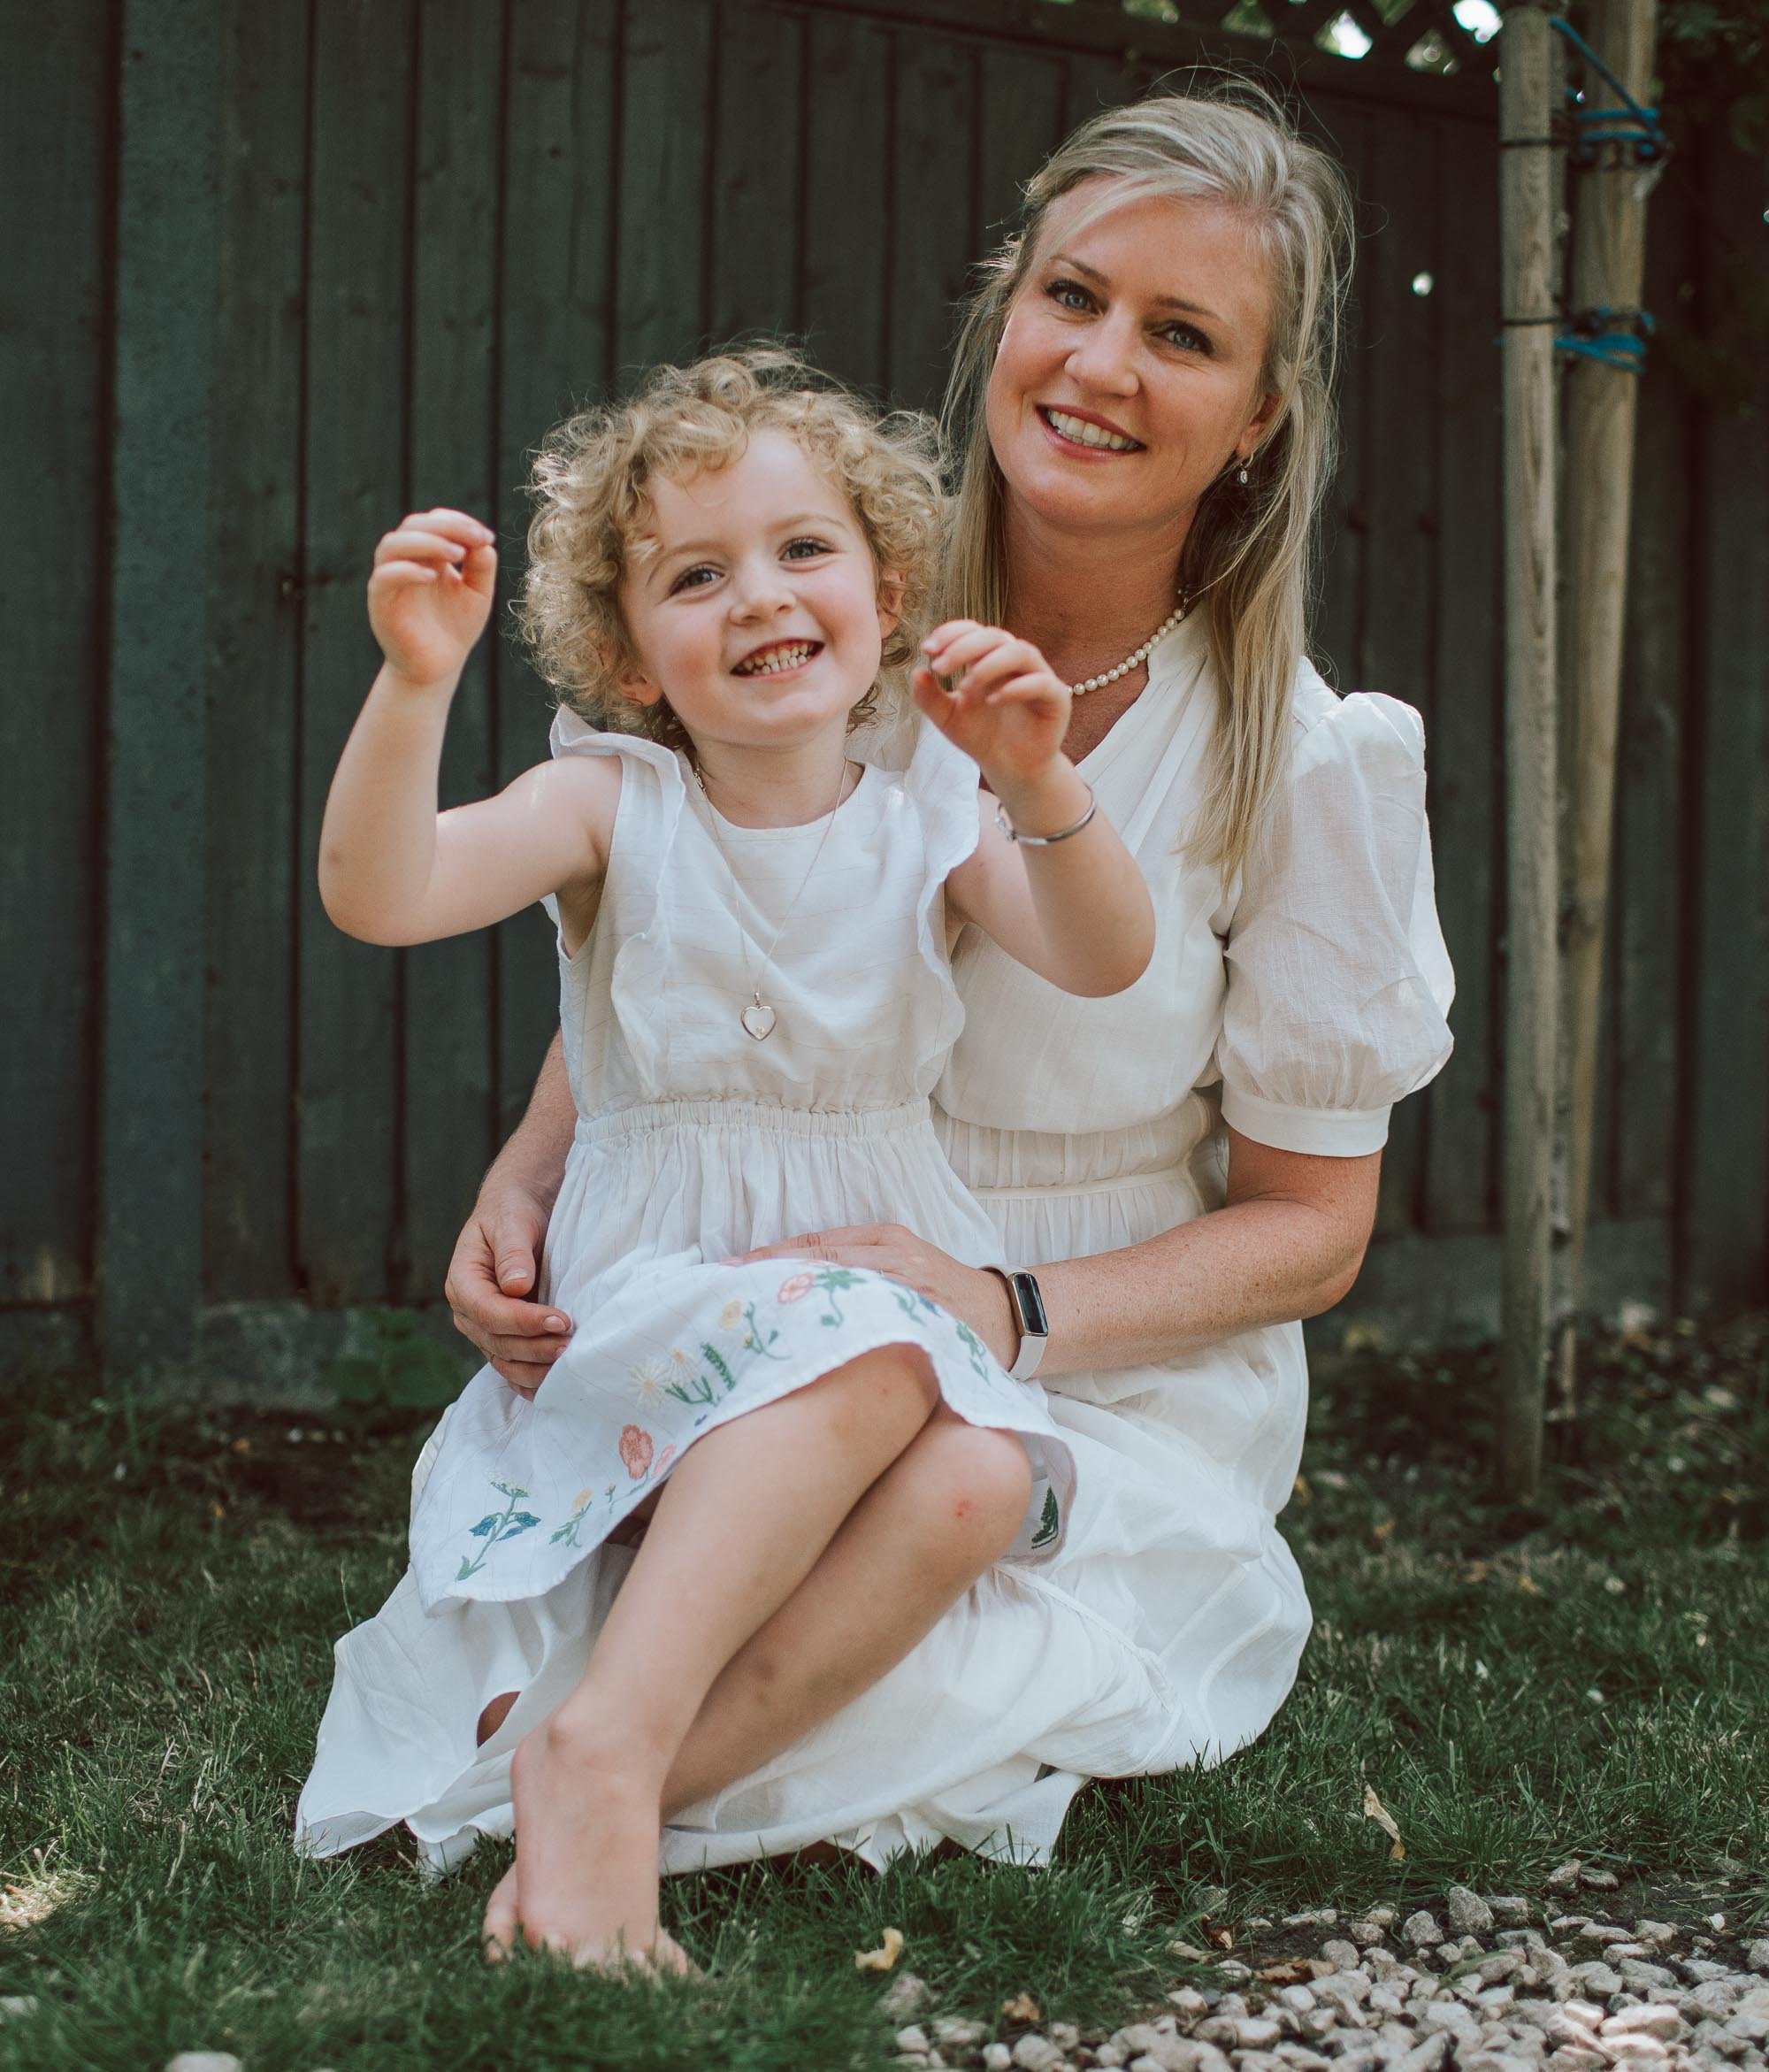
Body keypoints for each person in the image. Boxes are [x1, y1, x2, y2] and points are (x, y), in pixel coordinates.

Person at [446, 85, 1455, 1924]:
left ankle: (597, 1773)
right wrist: (528, 1171)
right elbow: (693, 925)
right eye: (1072, 296)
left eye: (1182, 336)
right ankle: (599, 1764)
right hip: (769, 1284)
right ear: (1004, 311)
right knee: (728, 1553)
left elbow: (1311, 1234)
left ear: (1258, 417)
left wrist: (1002, 1301)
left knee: (916, 1674)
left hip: (1091, 1350)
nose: (1100, 365)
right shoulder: (818, 611)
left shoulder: (1303, 762)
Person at [295, 349, 1157, 1969]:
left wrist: (1045, 779)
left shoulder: (934, 812)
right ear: (631, 655)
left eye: (801, 549)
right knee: (889, 1339)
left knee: (977, 1473)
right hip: (666, 1320)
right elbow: (383, 890)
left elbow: (1105, 954)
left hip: (867, 1309)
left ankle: (621, 1771)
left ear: (887, 590)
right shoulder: (607, 806)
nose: (759, 596)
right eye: (698, 575)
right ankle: (610, 1739)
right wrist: (415, 683)